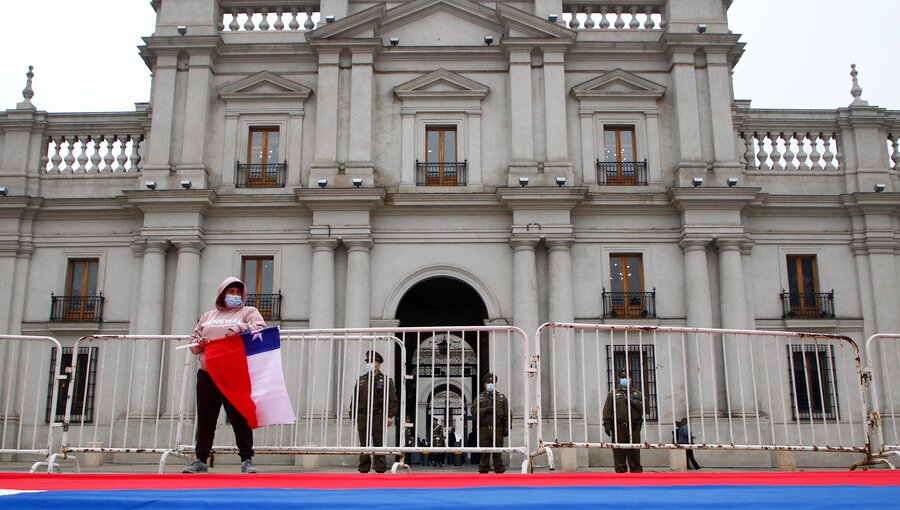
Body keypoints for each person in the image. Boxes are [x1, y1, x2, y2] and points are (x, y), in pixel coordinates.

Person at [183, 277, 266, 474]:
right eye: (231, 292)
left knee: (239, 417)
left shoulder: (249, 312)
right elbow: (193, 342)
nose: (235, 296)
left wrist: (240, 328)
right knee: (205, 418)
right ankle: (200, 459)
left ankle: (247, 459)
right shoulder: (207, 316)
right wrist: (200, 343)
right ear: (222, 294)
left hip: (234, 372)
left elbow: (261, 330)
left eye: (238, 292)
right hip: (208, 373)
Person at [351, 350, 399, 473]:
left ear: (379, 364)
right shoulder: (361, 380)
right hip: (363, 416)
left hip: (378, 416)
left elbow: (393, 400)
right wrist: (353, 414)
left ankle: (380, 468)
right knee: (364, 443)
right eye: (369, 362)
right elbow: (355, 398)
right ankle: (364, 467)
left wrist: (389, 415)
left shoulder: (386, 381)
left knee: (378, 442)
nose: (371, 364)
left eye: (374, 362)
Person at [603, 368, 644, 473]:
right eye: (622, 377)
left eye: (627, 377)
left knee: (634, 452)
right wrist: (606, 423)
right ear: (619, 379)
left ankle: (636, 474)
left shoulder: (637, 393)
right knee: (619, 453)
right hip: (618, 427)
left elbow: (644, 408)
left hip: (633, 427)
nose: (625, 379)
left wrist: (633, 402)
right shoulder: (614, 393)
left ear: (631, 379)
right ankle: (621, 474)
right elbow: (607, 408)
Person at [470, 373, 508, 474]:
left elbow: (508, 413)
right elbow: (473, 412)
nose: (490, 384)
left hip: (498, 428)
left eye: (492, 383)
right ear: (485, 385)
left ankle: (499, 468)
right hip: (485, 429)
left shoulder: (501, 398)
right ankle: (483, 468)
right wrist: (485, 410)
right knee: (484, 451)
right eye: (488, 383)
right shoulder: (480, 398)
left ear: (495, 384)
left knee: (498, 451)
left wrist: (507, 427)